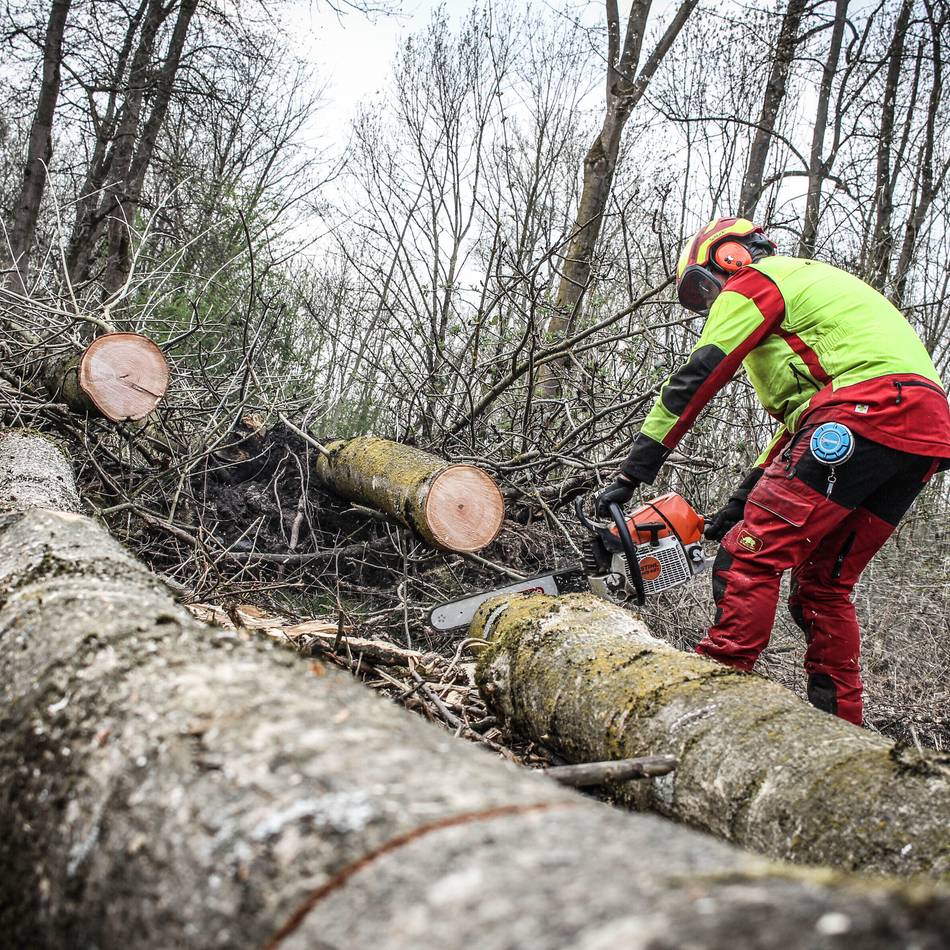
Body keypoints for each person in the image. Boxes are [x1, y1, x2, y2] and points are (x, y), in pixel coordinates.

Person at [596, 216, 950, 725]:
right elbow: (802, 425)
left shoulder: (757, 281)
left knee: (748, 557)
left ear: (728, 256)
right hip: (920, 432)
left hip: (863, 411)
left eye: (702, 287)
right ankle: (842, 730)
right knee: (824, 587)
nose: (708, 302)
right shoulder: (816, 298)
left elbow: (699, 374)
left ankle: (712, 699)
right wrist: (739, 503)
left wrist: (633, 471)